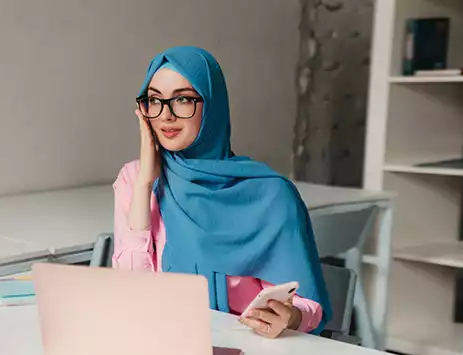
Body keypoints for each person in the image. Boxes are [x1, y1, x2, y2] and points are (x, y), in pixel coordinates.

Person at [111, 46, 332, 338]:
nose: (165, 115)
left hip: (249, 351)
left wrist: (290, 317)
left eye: (182, 99)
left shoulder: (271, 194)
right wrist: (144, 186)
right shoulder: (135, 179)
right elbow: (130, 292)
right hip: (159, 343)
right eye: (154, 100)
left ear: (212, 105)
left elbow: (306, 307)